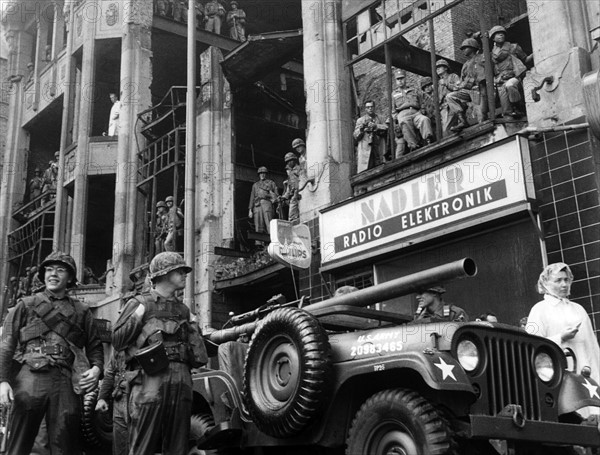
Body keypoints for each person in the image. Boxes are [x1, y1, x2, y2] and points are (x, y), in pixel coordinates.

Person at [0, 251, 103, 455]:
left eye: (60, 270)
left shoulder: (81, 310)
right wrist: (2, 381)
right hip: (30, 377)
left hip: (64, 379)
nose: (53, 274)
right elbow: (6, 345)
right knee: (19, 444)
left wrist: (97, 369)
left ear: (71, 277)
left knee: (65, 441)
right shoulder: (26, 305)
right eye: (49, 269)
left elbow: (95, 346)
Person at [111, 252, 207, 455]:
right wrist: (137, 316)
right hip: (149, 379)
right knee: (143, 445)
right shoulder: (140, 304)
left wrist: (193, 327)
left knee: (177, 446)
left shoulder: (183, 310)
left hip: (181, 380)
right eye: (179, 271)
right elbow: (117, 340)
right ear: (164, 274)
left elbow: (198, 357)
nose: (184, 274)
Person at [526, 263, 600, 416]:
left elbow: (593, 347)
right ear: (546, 283)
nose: (564, 284)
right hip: (561, 377)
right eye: (558, 280)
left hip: (587, 376)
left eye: (566, 280)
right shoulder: (539, 309)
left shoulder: (579, 309)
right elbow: (531, 346)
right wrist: (560, 337)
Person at [446, 38, 487, 133]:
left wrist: (467, 83)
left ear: (472, 47)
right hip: (468, 90)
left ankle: (483, 126)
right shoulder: (465, 65)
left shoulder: (481, 58)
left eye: (465, 48)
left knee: (480, 111)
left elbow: (482, 76)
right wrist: (457, 86)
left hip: (479, 88)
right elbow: (462, 80)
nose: (463, 50)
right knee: (450, 96)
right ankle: (463, 120)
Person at [95, 350, 129, 455]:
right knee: (120, 446)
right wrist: (102, 398)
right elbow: (110, 372)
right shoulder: (119, 342)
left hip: (138, 396)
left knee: (138, 444)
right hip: (119, 397)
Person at [489, 25, 528, 118]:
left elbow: (525, 59)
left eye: (502, 33)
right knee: (506, 111)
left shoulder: (514, 47)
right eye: (498, 34)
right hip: (501, 80)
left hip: (515, 76)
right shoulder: (491, 55)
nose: (501, 35)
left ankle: (517, 108)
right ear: (493, 38)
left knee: (510, 85)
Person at [392, 70, 434, 152]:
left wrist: (422, 109)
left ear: (405, 79)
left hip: (415, 111)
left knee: (424, 119)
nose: (400, 81)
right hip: (403, 113)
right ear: (396, 81)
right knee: (404, 122)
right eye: (398, 79)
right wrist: (396, 118)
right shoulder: (394, 94)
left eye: (402, 78)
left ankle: (428, 140)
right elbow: (393, 110)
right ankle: (413, 146)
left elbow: (421, 101)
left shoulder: (413, 90)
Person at [353, 100, 388, 173]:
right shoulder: (360, 120)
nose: (370, 109)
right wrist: (362, 129)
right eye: (368, 107)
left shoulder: (380, 118)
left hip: (378, 145)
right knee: (366, 167)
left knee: (380, 165)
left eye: (371, 107)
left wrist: (376, 126)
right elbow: (355, 136)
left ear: (374, 107)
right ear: (365, 109)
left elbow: (386, 128)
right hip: (366, 146)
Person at [248, 166, 278, 235]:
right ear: (259, 174)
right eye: (261, 173)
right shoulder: (255, 185)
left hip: (267, 203)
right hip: (257, 205)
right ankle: (259, 243)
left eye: (264, 173)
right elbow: (252, 197)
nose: (262, 175)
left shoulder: (271, 183)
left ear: (266, 174)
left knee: (269, 223)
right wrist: (250, 210)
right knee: (258, 224)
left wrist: (269, 195)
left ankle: (271, 240)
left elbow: (276, 195)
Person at [435, 59, 461, 136]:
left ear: (446, 68)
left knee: (447, 129)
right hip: (443, 108)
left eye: (440, 67)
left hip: (453, 105)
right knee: (444, 131)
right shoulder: (438, 83)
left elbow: (458, 88)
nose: (438, 69)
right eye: (437, 68)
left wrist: (446, 84)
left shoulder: (453, 76)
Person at [280, 153, 301, 223]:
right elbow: (289, 188)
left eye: (290, 161)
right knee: (292, 217)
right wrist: (284, 197)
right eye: (288, 162)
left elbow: (302, 181)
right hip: (293, 196)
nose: (289, 163)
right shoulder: (290, 174)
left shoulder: (299, 169)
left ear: (294, 160)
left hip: (300, 194)